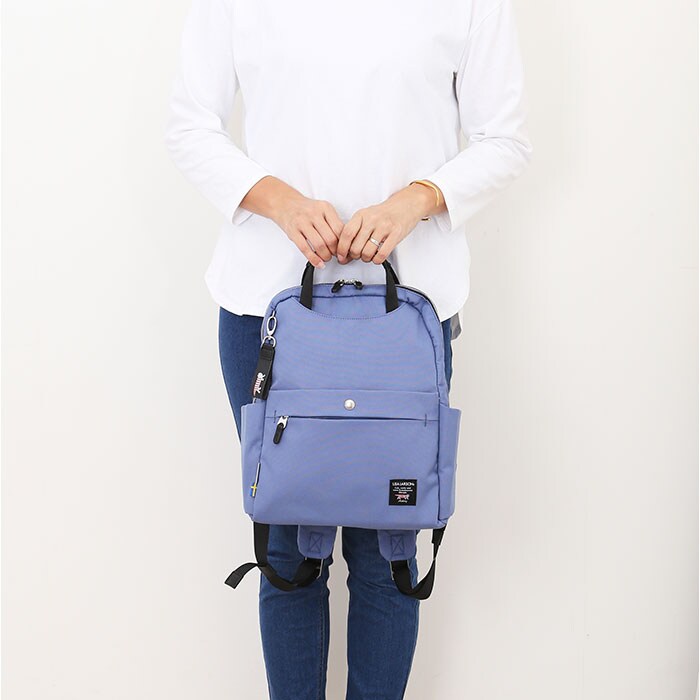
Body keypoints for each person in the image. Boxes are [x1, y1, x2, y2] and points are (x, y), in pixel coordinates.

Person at [164, 1, 532, 698]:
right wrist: (280, 201)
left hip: (407, 316)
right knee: (287, 552)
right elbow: (189, 123)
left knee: (388, 550)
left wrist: (415, 200)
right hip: (268, 313)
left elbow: (504, 138)